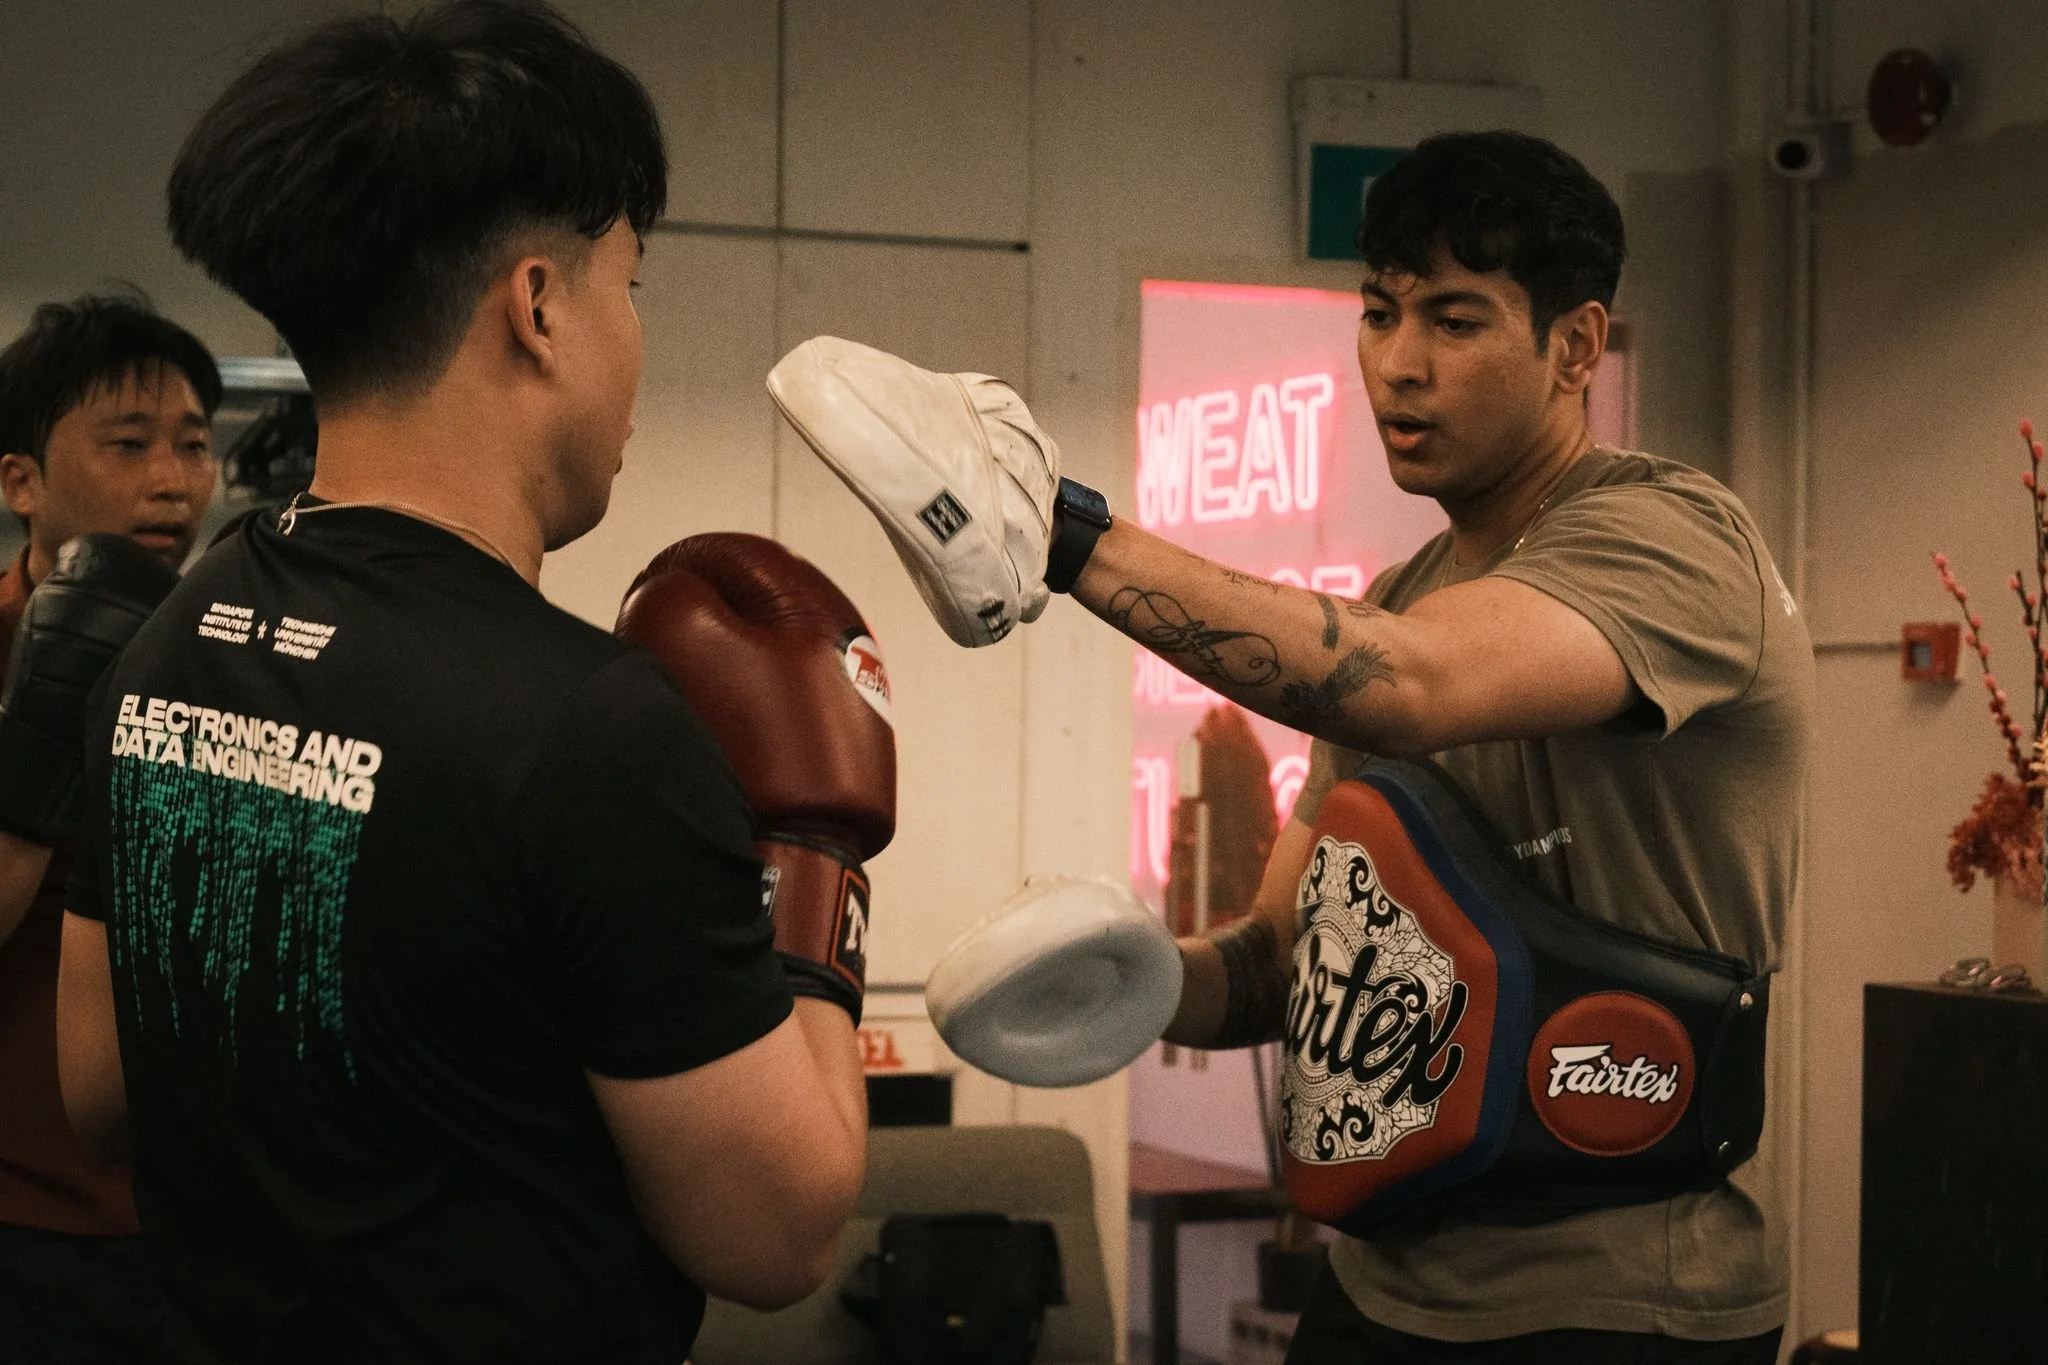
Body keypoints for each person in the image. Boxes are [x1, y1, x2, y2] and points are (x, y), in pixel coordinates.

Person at [774, 131, 1810, 1362]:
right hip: (1382, 1287)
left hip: (1620, 1303)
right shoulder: (1402, 597)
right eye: (1379, 314)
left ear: (1575, 346)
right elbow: (1284, 958)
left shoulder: (1674, 540)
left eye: (1455, 321)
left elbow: (1406, 685)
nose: (1399, 365)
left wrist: (1059, 533)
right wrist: (1138, 984)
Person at [53, 4, 877, 1361]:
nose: (636, 338)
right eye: (631, 284)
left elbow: (98, 1093)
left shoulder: (170, 643)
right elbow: (776, 1240)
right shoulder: (588, 731)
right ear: (538, 305)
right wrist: (814, 852)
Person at [0, 291, 220, 1359]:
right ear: (21, 482)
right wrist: (42, 736)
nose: (173, 481)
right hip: (21, 1217)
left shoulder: (222, 660)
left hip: (197, 1215)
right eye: (128, 444)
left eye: (194, 445)